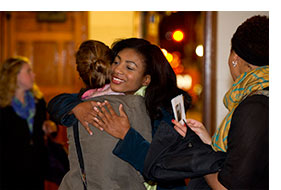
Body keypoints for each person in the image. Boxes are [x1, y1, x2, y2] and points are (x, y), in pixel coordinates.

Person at [47, 38, 192, 190]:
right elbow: (56, 103)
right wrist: (76, 108)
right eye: (116, 62)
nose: (118, 70)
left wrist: (126, 134)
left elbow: (167, 168)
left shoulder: (162, 111)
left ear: (146, 80)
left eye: (129, 68)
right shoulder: (99, 95)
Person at [172, 15, 269, 189]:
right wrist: (208, 143)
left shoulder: (255, 107)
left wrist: (197, 149)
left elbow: (226, 186)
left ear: (235, 58)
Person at [0, 57, 48, 190]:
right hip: (10, 172)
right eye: (28, 71)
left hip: (36, 168)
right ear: (14, 76)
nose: (34, 75)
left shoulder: (39, 102)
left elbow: (42, 130)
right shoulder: (3, 107)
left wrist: (49, 127)